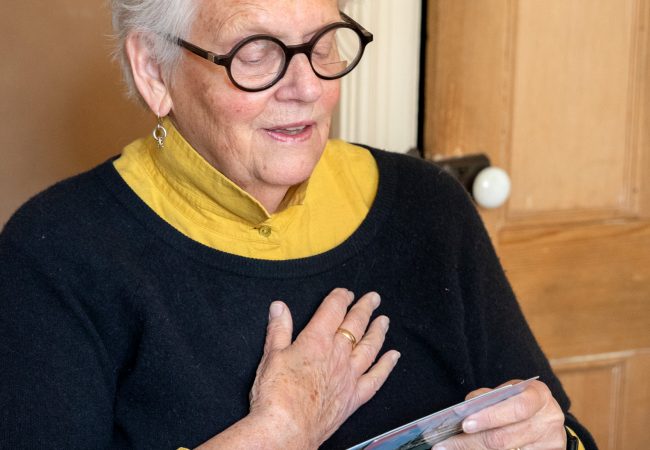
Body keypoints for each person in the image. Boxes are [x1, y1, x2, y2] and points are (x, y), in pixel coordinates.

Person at [0, 0, 597, 449]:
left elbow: (564, 432)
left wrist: (548, 437)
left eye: (323, 43)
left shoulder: (428, 205)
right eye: (255, 52)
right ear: (155, 72)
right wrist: (280, 432)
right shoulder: (57, 253)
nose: (308, 87)